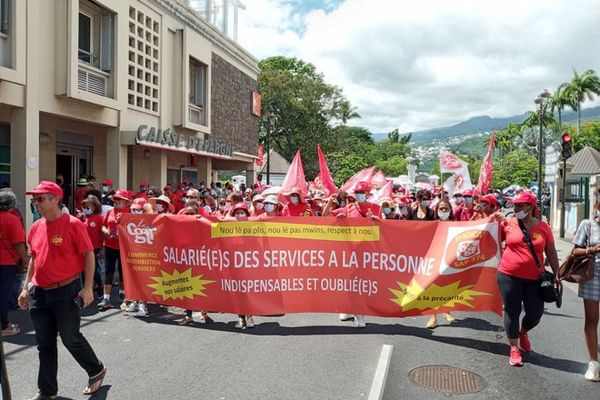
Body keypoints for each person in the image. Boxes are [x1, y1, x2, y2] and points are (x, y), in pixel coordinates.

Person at [18, 181, 106, 398]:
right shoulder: (36, 226)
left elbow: (89, 254)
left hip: (66, 290)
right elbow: (33, 259)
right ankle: (47, 391)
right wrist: (25, 288)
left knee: (70, 337)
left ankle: (95, 370)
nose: (35, 203)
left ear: (56, 199)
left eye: (40, 198)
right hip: (39, 292)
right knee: (44, 344)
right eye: (34, 199)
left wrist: (87, 288)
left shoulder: (74, 224)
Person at [496, 191, 561, 367]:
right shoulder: (508, 224)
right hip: (508, 275)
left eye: (520, 205)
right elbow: (489, 240)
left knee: (535, 313)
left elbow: (551, 252)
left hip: (535, 279)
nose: (516, 208)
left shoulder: (544, 228)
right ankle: (514, 348)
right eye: (515, 205)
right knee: (512, 310)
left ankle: (523, 332)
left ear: (531, 207)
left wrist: (557, 274)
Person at [328, 181, 380, 328]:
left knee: (361, 284)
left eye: (362, 192)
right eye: (357, 192)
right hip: (349, 251)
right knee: (349, 282)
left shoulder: (376, 208)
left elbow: (384, 229)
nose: (359, 195)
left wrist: (378, 222)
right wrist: (336, 215)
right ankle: (348, 308)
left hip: (367, 253)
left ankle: (359, 313)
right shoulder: (349, 208)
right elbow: (327, 217)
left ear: (368, 194)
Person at [571, 194, 600, 381]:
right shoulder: (588, 224)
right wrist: (592, 249)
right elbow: (575, 251)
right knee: (591, 320)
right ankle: (594, 364)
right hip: (593, 277)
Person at [0, 190, 29, 337]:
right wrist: (26, 261)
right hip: (6, 262)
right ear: (11, 204)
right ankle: (3, 325)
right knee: (3, 295)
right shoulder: (11, 219)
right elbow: (19, 243)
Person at [98, 189, 132, 311]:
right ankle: (106, 298)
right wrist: (105, 231)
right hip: (109, 245)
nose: (117, 201)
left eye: (119, 199)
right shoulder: (110, 212)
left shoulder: (130, 212)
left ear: (125, 201)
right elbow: (102, 225)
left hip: (124, 246)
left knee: (123, 271)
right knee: (108, 271)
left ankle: (123, 293)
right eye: (115, 199)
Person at [425, 199, 457, 329]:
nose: (443, 211)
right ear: (436, 210)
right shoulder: (432, 224)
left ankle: (447, 310)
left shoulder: (457, 224)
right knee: (433, 288)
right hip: (434, 258)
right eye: (441, 209)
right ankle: (433, 317)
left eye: (446, 209)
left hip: (450, 259)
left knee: (448, 286)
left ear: (450, 210)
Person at [78, 196, 105, 298]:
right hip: (83, 247)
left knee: (94, 269)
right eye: (84, 207)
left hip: (95, 247)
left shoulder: (99, 218)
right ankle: (87, 289)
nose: (85, 208)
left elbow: (102, 233)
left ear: (94, 207)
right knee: (83, 270)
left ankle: (100, 287)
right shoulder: (81, 219)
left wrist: (101, 248)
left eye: (88, 206)